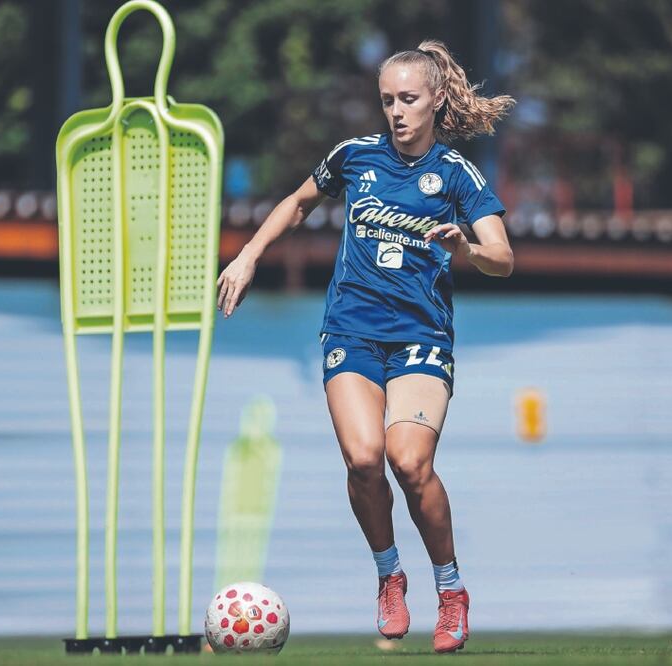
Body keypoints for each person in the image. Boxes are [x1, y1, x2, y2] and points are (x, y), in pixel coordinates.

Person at [215, 40, 515, 653]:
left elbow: (503, 258)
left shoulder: (457, 174)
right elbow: (298, 203)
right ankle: (389, 576)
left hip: (420, 340)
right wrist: (248, 254)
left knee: (410, 462)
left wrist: (464, 248)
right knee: (362, 459)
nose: (397, 111)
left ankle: (450, 588)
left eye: (408, 99)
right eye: (387, 101)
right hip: (350, 332)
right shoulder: (354, 157)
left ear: (435, 100)